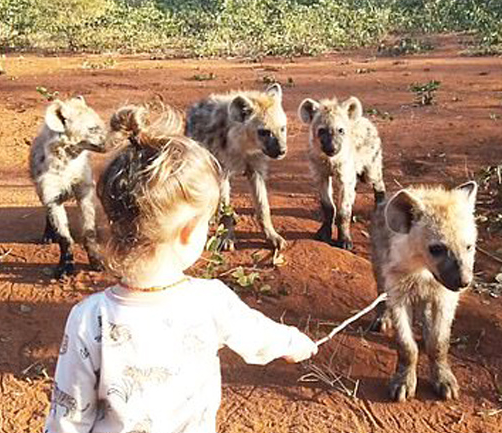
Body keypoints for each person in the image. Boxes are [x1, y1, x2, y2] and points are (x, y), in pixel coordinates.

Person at [44, 105, 318, 433]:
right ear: (189, 232)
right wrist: (295, 343)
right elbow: (259, 337)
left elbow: (68, 418)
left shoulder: (88, 317)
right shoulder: (211, 300)